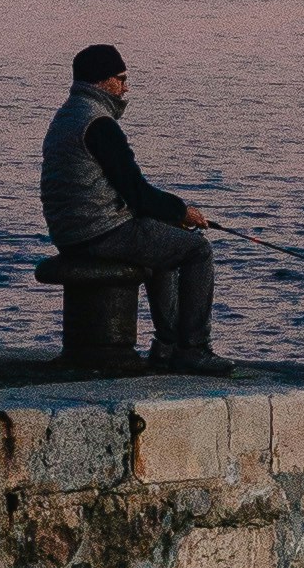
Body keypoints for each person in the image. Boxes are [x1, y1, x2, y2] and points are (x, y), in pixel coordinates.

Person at [38, 42, 223, 371]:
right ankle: (193, 348)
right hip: (99, 232)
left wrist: (167, 217)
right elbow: (136, 192)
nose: (126, 87)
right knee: (197, 250)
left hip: (69, 232)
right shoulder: (100, 125)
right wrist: (183, 212)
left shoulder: (68, 115)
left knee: (164, 242)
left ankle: (167, 347)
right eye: (121, 79)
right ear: (102, 81)